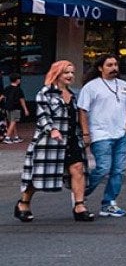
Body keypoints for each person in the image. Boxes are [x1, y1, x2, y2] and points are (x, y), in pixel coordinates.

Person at [14, 61, 94, 222]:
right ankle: (23, 203)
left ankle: (79, 207)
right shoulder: (45, 93)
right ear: (57, 74)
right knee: (38, 176)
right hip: (49, 143)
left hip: (72, 139)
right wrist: (52, 129)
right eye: (66, 72)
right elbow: (43, 115)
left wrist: (85, 134)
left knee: (78, 169)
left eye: (72, 72)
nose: (70, 75)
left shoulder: (74, 95)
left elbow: (80, 116)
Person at [79, 55, 126, 217]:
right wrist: (86, 133)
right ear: (100, 68)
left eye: (115, 64)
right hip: (100, 134)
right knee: (103, 167)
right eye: (109, 65)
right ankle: (80, 192)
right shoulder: (91, 87)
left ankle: (109, 203)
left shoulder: (124, 86)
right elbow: (82, 110)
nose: (114, 68)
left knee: (118, 170)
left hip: (121, 134)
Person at [3, 74, 30, 143]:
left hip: (7, 107)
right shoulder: (19, 89)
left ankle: (16, 137)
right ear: (17, 80)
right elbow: (22, 100)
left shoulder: (7, 88)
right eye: (19, 79)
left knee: (12, 122)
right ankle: (7, 137)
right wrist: (25, 109)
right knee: (13, 122)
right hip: (15, 107)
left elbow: (3, 97)